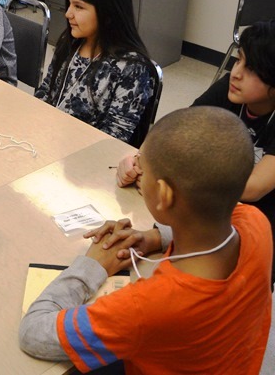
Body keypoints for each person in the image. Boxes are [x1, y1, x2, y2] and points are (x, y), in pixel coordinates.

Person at [19, 106, 272, 374]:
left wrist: (93, 265)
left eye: (142, 166)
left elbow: (33, 333)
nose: (137, 169)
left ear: (163, 194)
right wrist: (153, 237)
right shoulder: (257, 223)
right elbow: (217, 217)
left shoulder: (146, 307)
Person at [116, 20, 275, 285]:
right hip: (214, 215)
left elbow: (253, 187)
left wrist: (171, 175)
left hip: (259, 230)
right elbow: (175, 128)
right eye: (238, 60)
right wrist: (140, 159)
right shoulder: (230, 87)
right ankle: (161, 237)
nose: (236, 73)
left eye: (252, 69)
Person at [35, 0, 155, 143]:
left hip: (85, 156)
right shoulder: (70, 44)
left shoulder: (131, 67)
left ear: (108, 14)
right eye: (69, 4)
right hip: (50, 139)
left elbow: (115, 137)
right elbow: (46, 92)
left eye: (79, 7)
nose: (68, 14)